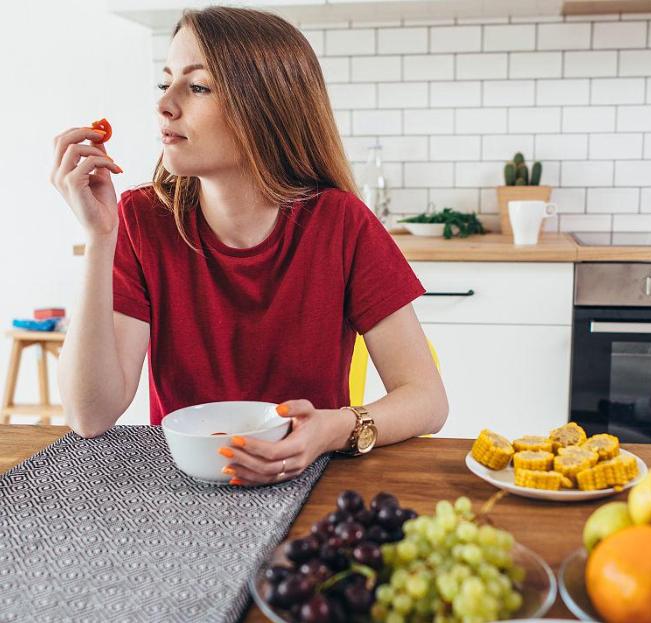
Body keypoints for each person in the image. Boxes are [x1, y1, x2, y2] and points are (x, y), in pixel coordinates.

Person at [50, 6, 448, 486]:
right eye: (166, 82)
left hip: (309, 485)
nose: (165, 105)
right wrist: (99, 238)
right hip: (186, 489)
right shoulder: (139, 220)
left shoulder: (341, 223)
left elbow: (426, 399)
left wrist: (334, 428)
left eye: (197, 87)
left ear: (265, 106)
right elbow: (89, 415)